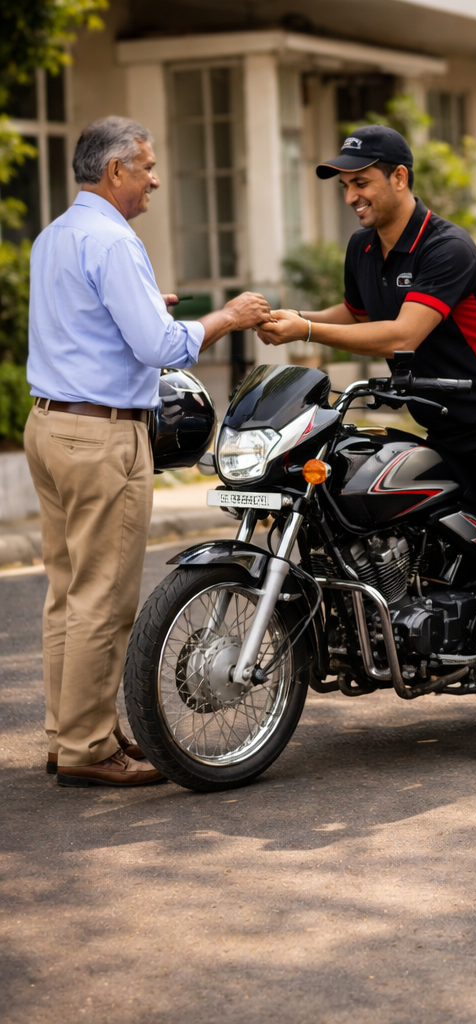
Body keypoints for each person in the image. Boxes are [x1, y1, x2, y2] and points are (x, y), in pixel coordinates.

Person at [255, 124, 476, 758]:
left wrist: (306, 333)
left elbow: (402, 333)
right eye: (346, 185)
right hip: (440, 419)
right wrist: (294, 318)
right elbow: (356, 312)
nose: (353, 196)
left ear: (400, 177)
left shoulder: (447, 247)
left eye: (362, 182)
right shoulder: (364, 248)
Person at [25, 116, 271, 787]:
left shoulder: (55, 237)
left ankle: (70, 732)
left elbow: (87, 325)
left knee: (68, 594)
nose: (155, 179)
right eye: (147, 167)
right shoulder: (113, 239)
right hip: (100, 435)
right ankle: (87, 748)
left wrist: (150, 311)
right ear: (114, 172)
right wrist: (230, 316)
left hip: (49, 426)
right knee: (103, 599)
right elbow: (160, 349)